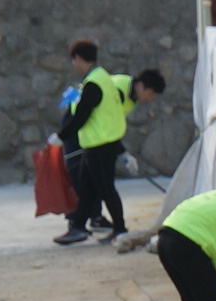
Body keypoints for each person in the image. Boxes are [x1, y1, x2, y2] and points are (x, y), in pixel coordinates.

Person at [54, 43, 166, 246]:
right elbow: (84, 112)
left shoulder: (113, 89)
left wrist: (122, 152)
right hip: (88, 135)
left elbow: (105, 121)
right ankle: (83, 225)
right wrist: (64, 135)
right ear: (142, 86)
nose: (150, 100)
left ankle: (104, 227)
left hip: (99, 140)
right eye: (151, 94)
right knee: (90, 186)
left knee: (99, 187)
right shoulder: (114, 85)